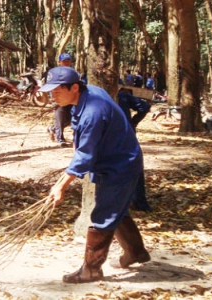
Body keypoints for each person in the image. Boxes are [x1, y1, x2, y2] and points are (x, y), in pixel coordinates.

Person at [40, 66, 150, 284]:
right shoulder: (88, 93)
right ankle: (136, 252)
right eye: (50, 91)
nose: (52, 95)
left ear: (73, 87)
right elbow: (81, 141)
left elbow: (85, 155)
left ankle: (91, 270)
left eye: (57, 91)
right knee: (115, 209)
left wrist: (60, 185)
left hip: (120, 166)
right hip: (115, 160)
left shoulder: (93, 111)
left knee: (102, 217)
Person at [117, 88, 152, 212]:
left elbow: (145, 106)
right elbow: (145, 106)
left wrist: (133, 122)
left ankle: (135, 202)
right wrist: (132, 123)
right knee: (134, 166)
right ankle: (139, 203)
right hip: (127, 135)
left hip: (114, 137)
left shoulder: (120, 97)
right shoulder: (123, 97)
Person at [47, 53, 75, 147]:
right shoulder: (55, 73)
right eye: (64, 61)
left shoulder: (72, 72)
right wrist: (55, 99)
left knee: (70, 119)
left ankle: (52, 128)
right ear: (59, 62)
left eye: (68, 61)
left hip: (70, 99)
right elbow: (52, 86)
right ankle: (60, 138)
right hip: (59, 99)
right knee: (60, 118)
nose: (66, 63)